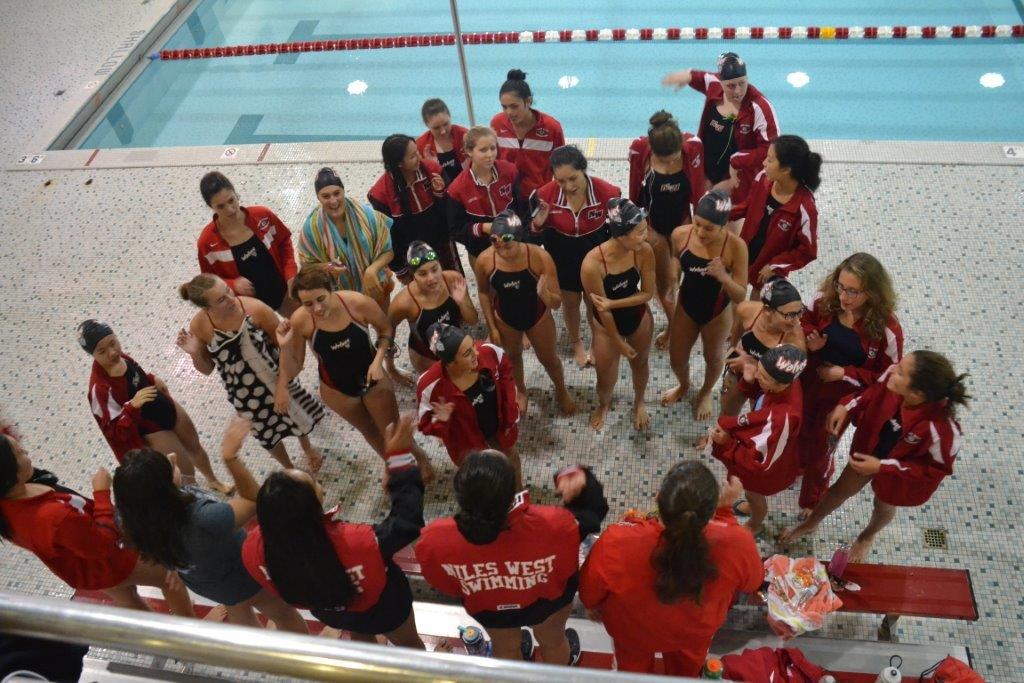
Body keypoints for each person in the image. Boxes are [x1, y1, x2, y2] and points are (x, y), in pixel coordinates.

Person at [242, 413, 427, 649]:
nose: (318, 481)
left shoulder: (252, 550)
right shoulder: (357, 543)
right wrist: (399, 461)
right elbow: (406, 522)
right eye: (313, 483)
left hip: (332, 612)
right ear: (311, 509)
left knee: (359, 635)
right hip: (385, 607)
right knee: (409, 644)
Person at [112, 417, 308, 631]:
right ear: (166, 489)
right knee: (283, 613)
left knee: (238, 611)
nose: (173, 458)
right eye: (169, 466)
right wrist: (230, 457)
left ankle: (259, 649)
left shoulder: (130, 520)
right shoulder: (203, 519)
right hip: (245, 574)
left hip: (205, 581)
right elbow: (253, 501)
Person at [416, 452, 608, 664]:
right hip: (549, 603)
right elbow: (594, 515)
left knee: (505, 648)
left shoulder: (435, 539)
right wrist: (580, 480)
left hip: (490, 609)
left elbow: (443, 583)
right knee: (553, 642)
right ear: (512, 494)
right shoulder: (553, 525)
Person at [579, 463, 762, 677]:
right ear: (711, 510)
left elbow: (589, 594)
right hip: (694, 633)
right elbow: (753, 582)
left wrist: (594, 606)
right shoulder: (737, 543)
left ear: (658, 498)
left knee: (631, 673)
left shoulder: (618, 540)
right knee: (686, 673)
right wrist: (724, 515)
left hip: (632, 632)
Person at [782, 352, 966, 562]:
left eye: (901, 372)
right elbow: (869, 393)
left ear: (916, 394)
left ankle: (866, 536)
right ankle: (810, 523)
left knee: (883, 506)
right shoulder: (890, 377)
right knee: (838, 491)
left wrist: (882, 467)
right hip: (870, 451)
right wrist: (846, 406)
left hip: (897, 477)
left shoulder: (943, 432)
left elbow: (932, 471)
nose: (893, 368)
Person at [0, 433, 193, 616]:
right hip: (108, 560)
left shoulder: (9, 502)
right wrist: (101, 493)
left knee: (126, 597)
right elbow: (101, 546)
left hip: (85, 569)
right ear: (9, 473)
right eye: (18, 453)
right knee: (169, 578)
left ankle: (154, 632)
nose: (26, 452)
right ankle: (190, 631)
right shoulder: (52, 518)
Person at [278, 265, 435, 481]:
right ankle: (396, 467)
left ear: (332, 289)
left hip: (373, 377)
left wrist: (379, 360)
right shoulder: (300, 321)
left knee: (393, 429)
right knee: (369, 431)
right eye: (308, 304)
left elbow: (385, 328)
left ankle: (421, 457)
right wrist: (284, 346)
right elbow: (296, 367)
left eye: (321, 299)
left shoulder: (356, 303)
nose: (316, 309)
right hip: (336, 390)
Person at [176, 274, 325, 472]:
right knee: (266, 434)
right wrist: (195, 353)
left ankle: (308, 449)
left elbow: (283, 350)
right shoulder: (200, 326)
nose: (231, 299)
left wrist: (282, 387)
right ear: (206, 308)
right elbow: (207, 369)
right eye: (221, 299)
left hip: (275, 378)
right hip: (244, 394)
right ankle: (288, 467)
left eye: (227, 291)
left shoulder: (256, 309)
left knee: (295, 415)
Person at [795, 253, 903, 516]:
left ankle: (811, 499)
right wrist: (810, 337)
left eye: (853, 291)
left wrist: (844, 372)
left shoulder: (887, 330)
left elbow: (886, 378)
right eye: (840, 286)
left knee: (822, 449)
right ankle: (797, 466)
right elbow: (802, 320)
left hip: (845, 399)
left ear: (873, 293)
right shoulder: (824, 301)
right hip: (809, 381)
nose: (843, 297)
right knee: (799, 432)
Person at [79, 320, 232, 495]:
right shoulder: (99, 389)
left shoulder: (122, 358)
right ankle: (199, 500)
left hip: (163, 404)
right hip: (151, 429)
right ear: (93, 354)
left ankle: (213, 480)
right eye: (102, 351)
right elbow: (114, 433)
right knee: (185, 472)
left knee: (194, 445)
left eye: (113, 343)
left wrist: (152, 379)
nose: (112, 352)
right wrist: (132, 406)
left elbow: (137, 376)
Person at [475, 211, 575, 416]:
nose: (501, 250)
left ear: (519, 238)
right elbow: (484, 293)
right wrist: (491, 326)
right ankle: (520, 390)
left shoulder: (539, 257)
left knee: (549, 359)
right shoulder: (485, 260)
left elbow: (556, 303)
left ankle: (562, 391)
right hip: (505, 318)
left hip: (537, 316)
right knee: (512, 356)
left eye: (507, 244)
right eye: (496, 244)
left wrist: (544, 293)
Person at [660, 191, 749, 420]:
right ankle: (684, 385)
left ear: (723, 226)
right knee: (677, 358)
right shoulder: (681, 234)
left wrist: (723, 277)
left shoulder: (736, 247)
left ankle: (706, 391)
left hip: (716, 312)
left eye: (709, 228)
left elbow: (740, 295)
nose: (700, 232)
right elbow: (677, 258)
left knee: (713, 358)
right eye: (698, 224)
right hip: (687, 306)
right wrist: (673, 278)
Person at [531, 145, 622, 368]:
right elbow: (530, 239)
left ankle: (594, 341)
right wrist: (537, 225)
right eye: (560, 181)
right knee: (570, 303)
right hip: (563, 257)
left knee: (594, 303)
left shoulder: (609, 193)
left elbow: (618, 233)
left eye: (573, 178)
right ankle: (576, 342)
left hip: (595, 258)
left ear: (584, 169)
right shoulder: (543, 196)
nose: (568, 186)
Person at [707, 345, 807, 534]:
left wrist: (728, 443)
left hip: (766, 469)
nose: (758, 377)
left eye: (764, 377)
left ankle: (756, 521)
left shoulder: (783, 418)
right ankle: (753, 508)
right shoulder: (788, 379)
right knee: (749, 493)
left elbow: (761, 464)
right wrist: (749, 378)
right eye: (760, 369)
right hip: (769, 440)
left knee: (753, 494)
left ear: (781, 385)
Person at [627, 111, 706, 348]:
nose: (671, 164)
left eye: (674, 159)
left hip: (682, 221)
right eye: (664, 160)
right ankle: (676, 330)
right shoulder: (640, 149)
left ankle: (683, 323)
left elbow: (698, 193)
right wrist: (643, 230)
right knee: (665, 287)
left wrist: (693, 233)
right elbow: (634, 196)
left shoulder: (693, 146)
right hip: (653, 227)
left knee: (679, 277)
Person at [662, 52, 780, 201]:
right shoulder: (714, 84)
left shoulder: (761, 108)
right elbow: (699, 78)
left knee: (727, 219)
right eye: (731, 86)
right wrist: (687, 76)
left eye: (742, 83)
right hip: (706, 168)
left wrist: (735, 168)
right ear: (721, 81)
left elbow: (769, 149)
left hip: (736, 177)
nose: (737, 91)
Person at [580, 198, 655, 431]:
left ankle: (639, 401)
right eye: (640, 232)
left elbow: (647, 294)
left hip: (638, 316)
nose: (646, 235)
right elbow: (602, 312)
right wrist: (616, 342)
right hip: (605, 326)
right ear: (621, 235)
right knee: (605, 375)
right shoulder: (592, 263)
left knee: (640, 363)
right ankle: (604, 404)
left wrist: (613, 303)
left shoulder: (644, 251)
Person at [416, 323, 520, 484]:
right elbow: (425, 425)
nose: (476, 353)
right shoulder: (429, 386)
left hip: (500, 426)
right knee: (483, 479)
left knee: (511, 458)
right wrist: (441, 421)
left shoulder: (487, 352)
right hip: (467, 443)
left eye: (473, 346)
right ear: (450, 363)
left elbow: (505, 369)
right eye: (467, 353)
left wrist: (510, 413)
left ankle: (519, 498)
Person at [196, 172, 299, 316]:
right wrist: (232, 284)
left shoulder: (263, 216)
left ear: (236, 193)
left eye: (232, 200)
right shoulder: (207, 242)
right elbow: (208, 282)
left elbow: (284, 243)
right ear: (210, 206)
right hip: (248, 310)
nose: (230, 209)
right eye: (221, 206)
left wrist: (291, 273)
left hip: (283, 293)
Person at [368, 134, 461, 282]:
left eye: (417, 151)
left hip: (440, 244)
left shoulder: (433, 171)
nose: (419, 157)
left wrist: (440, 195)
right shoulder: (381, 194)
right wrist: (400, 270)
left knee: (453, 285)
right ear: (399, 163)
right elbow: (388, 237)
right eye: (413, 156)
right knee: (424, 295)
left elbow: (451, 213)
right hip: (409, 253)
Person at [298, 167, 394, 310]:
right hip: (340, 297)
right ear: (318, 198)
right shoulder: (311, 229)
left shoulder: (367, 216)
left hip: (375, 285)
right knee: (356, 332)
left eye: (337, 193)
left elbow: (388, 251)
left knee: (385, 328)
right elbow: (307, 266)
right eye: (326, 196)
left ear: (343, 191)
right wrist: (327, 267)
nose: (333, 201)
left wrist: (372, 269)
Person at [732, 135, 821, 290]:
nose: (764, 163)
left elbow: (808, 251)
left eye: (770, 160)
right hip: (744, 254)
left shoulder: (805, 208)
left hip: (767, 271)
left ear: (786, 169)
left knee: (757, 310)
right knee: (728, 298)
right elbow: (748, 206)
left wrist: (776, 265)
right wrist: (721, 213)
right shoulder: (763, 178)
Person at [387, 241, 478, 375]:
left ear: (440, 265)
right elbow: (387, 331)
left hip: (454, 349)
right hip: (426, 359)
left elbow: (473, 320)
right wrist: (391, 368)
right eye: (422, 274)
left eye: (435, 269)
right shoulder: (404, 302)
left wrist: (461, 302)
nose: (431, 278)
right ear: (413, 276)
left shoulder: (453, 279)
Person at [721, 276, 806, 417]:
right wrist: (732, 350)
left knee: (755, 417)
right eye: (790, 315)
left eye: (799, 312)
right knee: (727, 410)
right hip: (739, 372)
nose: (796, 321)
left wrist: (749, 363)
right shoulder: (747, 310)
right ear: (767, 310)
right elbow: (737, 332)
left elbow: (785, 381)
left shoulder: (794, 342)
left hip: (766, 386)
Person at [446, 126, 523, 270]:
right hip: (480, 250)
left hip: (512, 244)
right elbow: (456, 230)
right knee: (488, 291)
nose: (490, 155)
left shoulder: (510, 171)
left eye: (493, 148)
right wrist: (483, 228)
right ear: (469, 151)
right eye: (483, 150)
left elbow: (521, 208)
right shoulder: (457, 189)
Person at [490, 69, 566, 197]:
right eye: (504, 107)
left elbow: (562, 165)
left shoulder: (551, 128)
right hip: (505, 195)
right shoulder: (497, 124)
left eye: (514, 106)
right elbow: (493, 161)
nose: (509, 112)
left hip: (540, 196)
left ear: (528, 101)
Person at [416, 98, 468, 186]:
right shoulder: (420, 146)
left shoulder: (465, 136)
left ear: (450, 117)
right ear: (427, 125)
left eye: (446, 124)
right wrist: (430, 166)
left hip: (466, 189)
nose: (443, 131)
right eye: (436, 128)